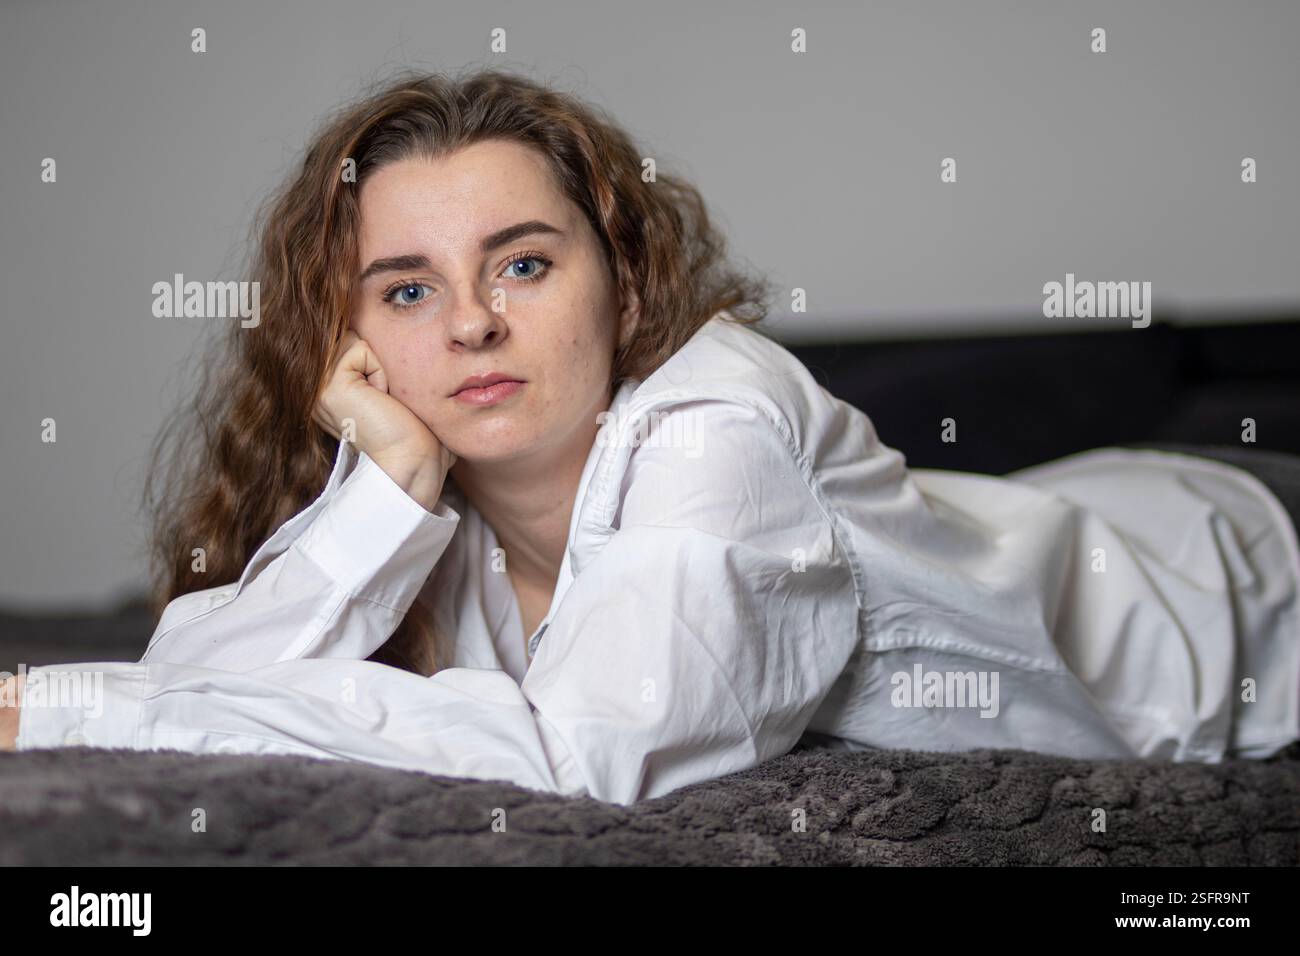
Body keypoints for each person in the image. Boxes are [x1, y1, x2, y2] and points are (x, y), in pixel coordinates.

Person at [3, 70, 1298, 806]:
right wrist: (383, 491)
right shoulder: (432, 499)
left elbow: (582, 756)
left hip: (1237, 562)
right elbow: (214, 663)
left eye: (521, 263)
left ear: (622, 285)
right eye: (405, 289)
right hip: (1048, 511)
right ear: (351, 340)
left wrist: (69, 712)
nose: (467, 324)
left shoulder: (718, 431)